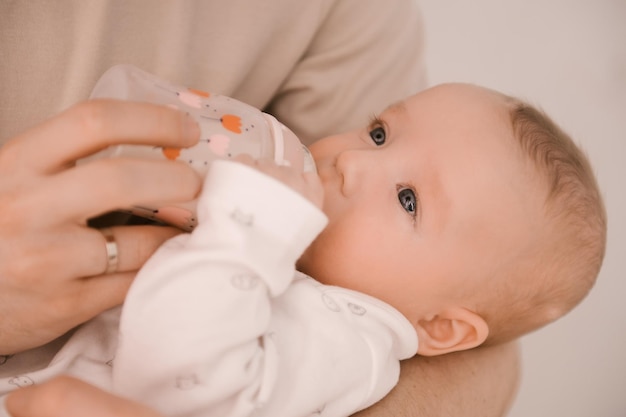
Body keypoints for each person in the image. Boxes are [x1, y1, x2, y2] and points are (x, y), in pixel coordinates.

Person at [0, 1, 522, 416]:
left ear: (439, 327)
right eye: (379, 134)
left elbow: (180, 380)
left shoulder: (347, 342)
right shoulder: (316, 281)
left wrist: (245, 230)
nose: (353, 162)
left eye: (408, 199)